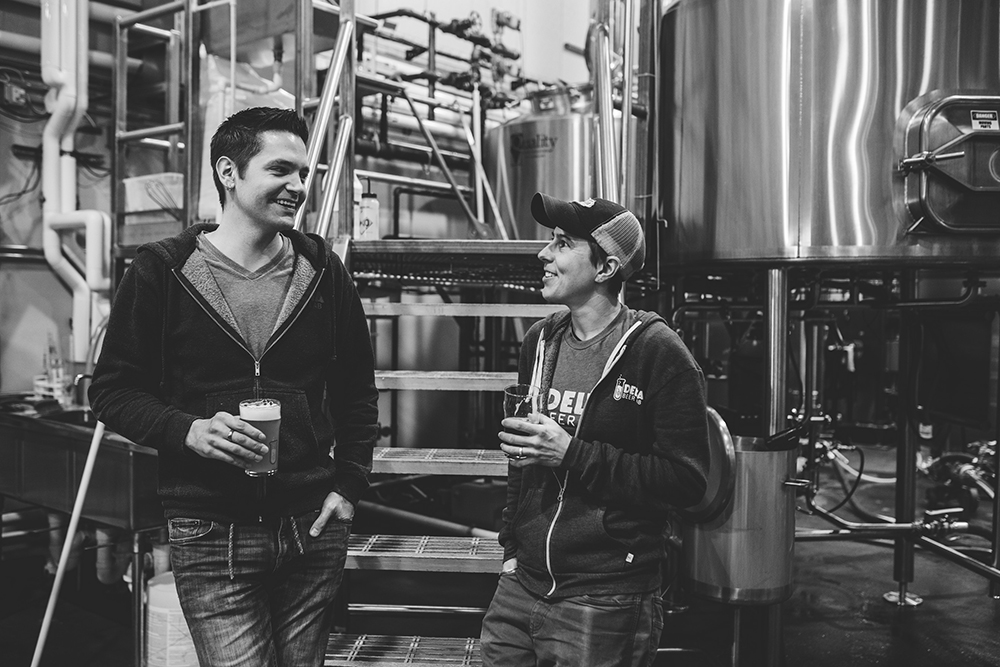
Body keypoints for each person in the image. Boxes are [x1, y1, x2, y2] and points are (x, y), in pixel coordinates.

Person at [89, 106, 378, 666]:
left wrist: (349, 485)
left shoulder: (323, 272)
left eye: (304, 173)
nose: (297, 186)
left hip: (311, 523)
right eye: (280, 170)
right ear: (228, 172)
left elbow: (357, 393)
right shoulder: (162, 271)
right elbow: (113, 389)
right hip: (209, 525)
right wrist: (188, 430)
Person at [480, 193, 711, 667]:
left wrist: (572, 454)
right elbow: (521, 461)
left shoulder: (659, 353)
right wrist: (511, 548)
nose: (544, 255)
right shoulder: (540, 341)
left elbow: (686, 481)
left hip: (605, 597)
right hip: (521, 586)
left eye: (562, 244)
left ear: (606, 269)